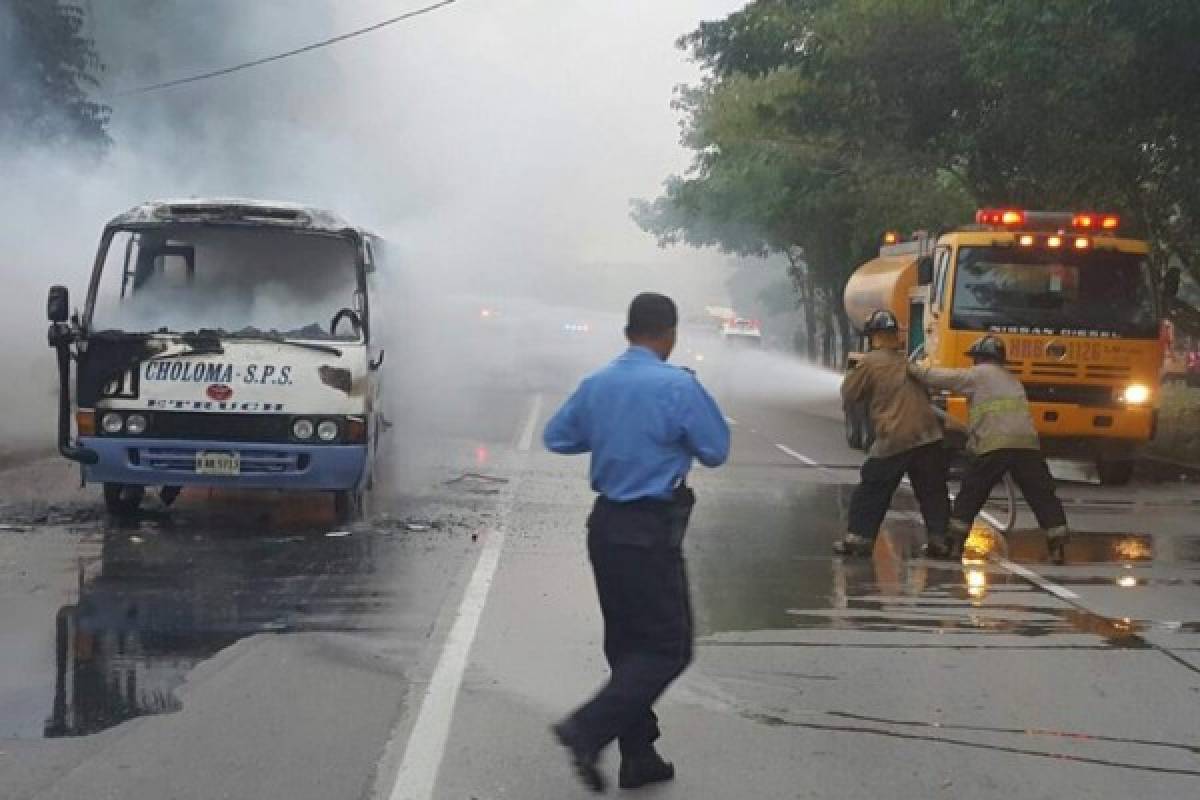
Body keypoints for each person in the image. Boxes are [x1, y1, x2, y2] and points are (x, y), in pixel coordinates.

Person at [543, 292, 730, 793]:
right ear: (669, 334)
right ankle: (586, 729)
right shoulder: (677, 385)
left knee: (627, 645)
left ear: (628, 331)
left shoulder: (598, 382)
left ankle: (639, 755)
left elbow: (558, 438)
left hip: (605, 527)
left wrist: (611, 432)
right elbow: (715, 450)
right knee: (668, 648)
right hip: (651, 527)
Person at [909, 334, 1069, 559]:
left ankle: (955, 544)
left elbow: (940, 378)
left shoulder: (978, 375)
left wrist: (910, 369)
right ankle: (1057, 544)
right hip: (1027, 446)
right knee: (1041, 495)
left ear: (980, 358)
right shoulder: (1013, 380)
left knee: (972, 494)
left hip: (994, 446)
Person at [838, 309, 950, 557]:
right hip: (929, 435)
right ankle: (940, 540)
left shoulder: (870, 362)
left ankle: (859, 539)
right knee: (932, 492)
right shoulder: (908, 362)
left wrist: (854, 375)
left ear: (873, 336)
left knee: (873, 488)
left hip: (896, 436)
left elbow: (850, 393)